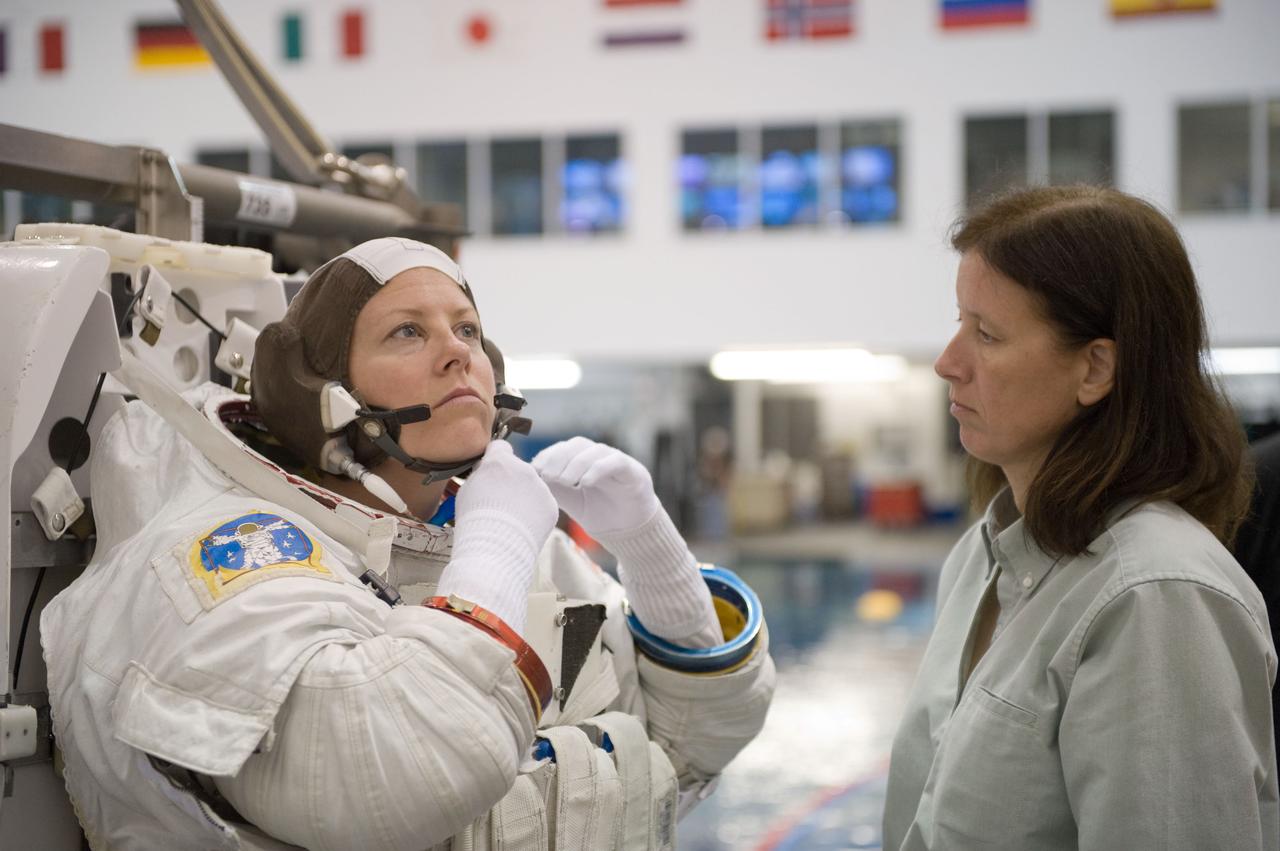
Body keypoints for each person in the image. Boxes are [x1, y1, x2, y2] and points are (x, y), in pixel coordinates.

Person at [41, 237, 775, 850]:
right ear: (320, 388)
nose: (458, 354)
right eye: (408, 332)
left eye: (466, 329)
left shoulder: (499, 539)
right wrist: (495, 545)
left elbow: (691, 748)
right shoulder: (226, 554)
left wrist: (649, 549)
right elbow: (390, 773)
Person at [883, 185, 1278, 850]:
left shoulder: (1156, 597)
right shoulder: (981, 558)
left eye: (987, 333)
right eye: (960, 321)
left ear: (1095, 367)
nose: (948, 363)